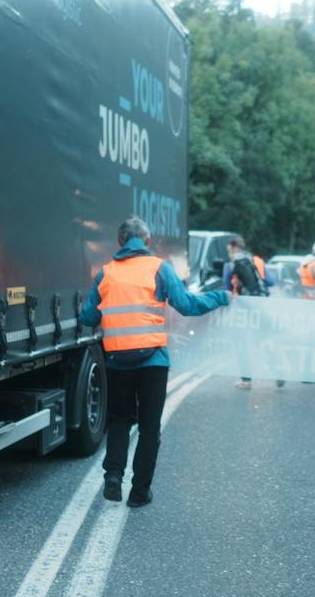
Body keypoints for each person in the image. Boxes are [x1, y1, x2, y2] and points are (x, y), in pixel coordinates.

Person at [80, 216, 230, 507]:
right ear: (147, 242)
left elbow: (87, 317)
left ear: (121, 242)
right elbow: (188, 305)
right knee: (149, 426)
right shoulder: (159, 268)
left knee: (119, 421)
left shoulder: (106, 273)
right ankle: (139, 492)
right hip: (153, 362)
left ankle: (113, 475)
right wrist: (221, 297)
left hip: (118, 361)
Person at [224, 237, 282, 389]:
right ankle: (278, 372)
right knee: (263, 341)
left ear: (232, 246)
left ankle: (246, 380)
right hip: (260, 306)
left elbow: (227, 286)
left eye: (228, 247)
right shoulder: (256, 260)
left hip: (243, 309)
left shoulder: (231, 263)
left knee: (242, 343)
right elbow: (270, 281)